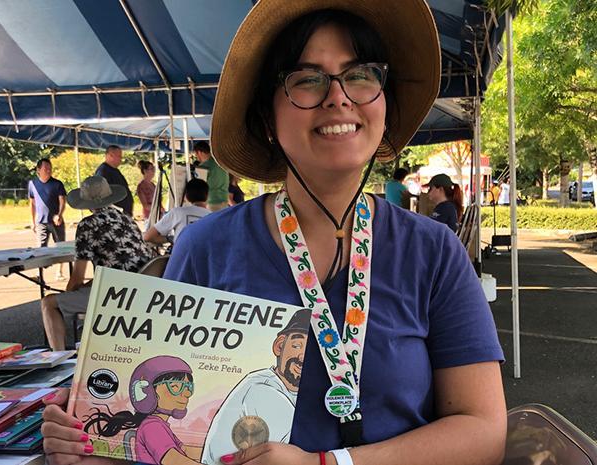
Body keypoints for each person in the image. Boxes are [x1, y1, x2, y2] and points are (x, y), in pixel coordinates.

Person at [42, 2, 506, 465]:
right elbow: (166, 429)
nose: (338, 97)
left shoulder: (433, 251)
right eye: (307, 79)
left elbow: (483, 431)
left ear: (385, 102)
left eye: (360, 74)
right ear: (268, 118)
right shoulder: (206, 249)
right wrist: (93, 449)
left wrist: (328, 464)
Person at [40, 176, 153, 351]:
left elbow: (77, 279)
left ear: (85, 203)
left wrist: (69, 296)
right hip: (142, 291)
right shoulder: (128, 220)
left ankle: (59, 361)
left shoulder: (88, 225)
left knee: (49, 303)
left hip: (116, 295)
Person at [202, 309, 309, 464]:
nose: (302, 356)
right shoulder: (263, 390)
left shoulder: (293, 391)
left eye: (311, 351)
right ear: (279, 346)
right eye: (298, 345)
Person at [82, 356, 201, 464]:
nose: (186, 394)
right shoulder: (152, 427)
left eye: (188, 387)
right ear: (147, 390)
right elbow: (174, 460)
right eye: (175, 386)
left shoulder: (160, 425)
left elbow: (184, 450)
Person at [28, 158, 67, 279]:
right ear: (38, 170)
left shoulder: (57, 184)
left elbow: (62, 201)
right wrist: (32, 221)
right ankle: (40, 274)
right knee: (40, 247)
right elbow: (32, 203)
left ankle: (59, 272)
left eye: (50, 168)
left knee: (60, 247)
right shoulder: (32, 184)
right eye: (46, 168)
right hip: (41, 222)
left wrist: (59, 214)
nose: (49, 170)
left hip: (56, 221)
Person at [143, 178, 211, 245]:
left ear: (186, 196)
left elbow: (148, 237)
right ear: (207, 196)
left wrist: (170, 239)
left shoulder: (177, 212)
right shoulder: (214, 217)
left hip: (181, 255)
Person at [95, 145, 133, 216]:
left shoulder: (115, 170)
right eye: (119, 156)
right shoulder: (103, 172)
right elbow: (102, 197)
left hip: (123, 214)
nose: (121, 159)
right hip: (114, 215)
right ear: (110, 155)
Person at [193, 141, 229, 211]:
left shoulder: (203, 167)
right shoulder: (220, 163)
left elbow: (199, 187)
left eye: (196, 155)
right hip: (225, 201)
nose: (197, 158)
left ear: (199, 152)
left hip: (212, 202)